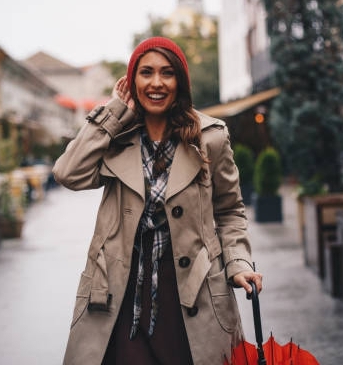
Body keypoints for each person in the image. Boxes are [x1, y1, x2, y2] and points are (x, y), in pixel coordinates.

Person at [52, 36, 263, 365]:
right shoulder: (115, 137)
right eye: (146, 72)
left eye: (167, 73)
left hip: (192, 299)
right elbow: (68, 173)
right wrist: (113, 113)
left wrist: (238, 263)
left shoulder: (211, 138)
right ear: (132, 81)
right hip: (117, 300)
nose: (156, 83)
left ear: (180, 81)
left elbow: (230, 212)